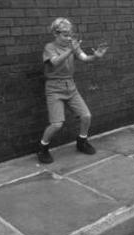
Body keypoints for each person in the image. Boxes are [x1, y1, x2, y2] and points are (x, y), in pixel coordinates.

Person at [37, 17, 109, 164]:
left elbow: (84, 58)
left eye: (69, 34)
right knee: (57, 124)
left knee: (86, 116)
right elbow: (55, 62)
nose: (68, 37)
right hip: (54, 88)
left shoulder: (71, 46)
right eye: (64, 34)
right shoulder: (49, 47)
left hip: (70, 86)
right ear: (55, 34)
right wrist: (71, 50)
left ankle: (82, 142)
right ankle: (43, 148)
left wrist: (96, 56)